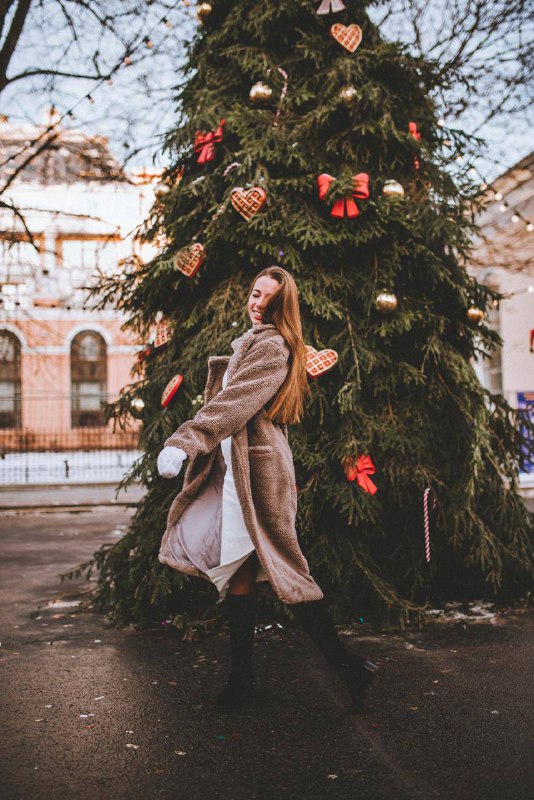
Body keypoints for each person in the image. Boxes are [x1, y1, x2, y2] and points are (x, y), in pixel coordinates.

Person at [157, 266, 378, 711]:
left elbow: (234, 403)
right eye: (255, 294)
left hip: (257, 475)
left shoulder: (273, 347)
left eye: (269, 300)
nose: (258, 304)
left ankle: (348, 666)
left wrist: (186, 439)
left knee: (285, 568)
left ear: (283, 308)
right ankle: (242, 683)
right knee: (240, 572)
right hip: (236, 472)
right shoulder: (252, 342)